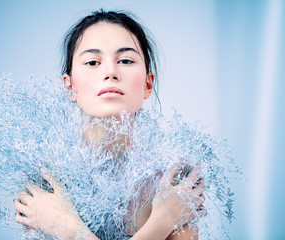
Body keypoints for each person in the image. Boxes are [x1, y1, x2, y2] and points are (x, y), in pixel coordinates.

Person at [14, 10, 206, 240]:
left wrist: (67, 226)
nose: (110, 72)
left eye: (125, 61)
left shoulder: (173, 178)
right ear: (69, 86)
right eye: (92, 62)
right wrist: (162, 222)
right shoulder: (46, 178)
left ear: (148, 84)